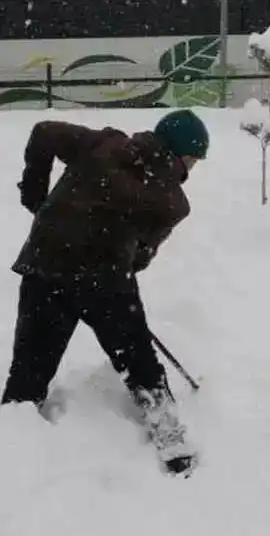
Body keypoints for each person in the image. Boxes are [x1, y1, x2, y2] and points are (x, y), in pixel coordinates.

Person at [2, 110, 209, 475]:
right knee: (139, 362)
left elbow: (44, 131)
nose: (192, 168)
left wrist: (36, 194)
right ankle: (169, 436)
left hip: (45, 267)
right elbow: (142, 256)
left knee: (29, 373)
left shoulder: (101, 143)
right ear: (179, 155)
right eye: (193, 159)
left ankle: (13, 444)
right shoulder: (173, 202)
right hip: (105, 283)